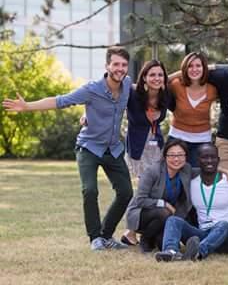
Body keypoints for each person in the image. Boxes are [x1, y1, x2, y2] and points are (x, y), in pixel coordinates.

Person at [2, 46, 133, 251]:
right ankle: (95, 238)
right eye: (116, 64)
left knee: (126, 193)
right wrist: (27, 106)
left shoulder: (127, 85)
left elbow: (152, 84)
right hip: (89, 148)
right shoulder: (92, 89)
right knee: (90, 190)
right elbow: (60, 101)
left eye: (124, 65)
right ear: (107, 66)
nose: (120, 68)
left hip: (113, 149)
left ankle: (106, 236)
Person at [155, 143, 228, 262]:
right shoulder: (192, 183)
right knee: (173, 220)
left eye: (213, 157)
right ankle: (170, 252)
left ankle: (198, 252)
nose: (209, 161)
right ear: (198, 160)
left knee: (223, 225)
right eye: (205, 157)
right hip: (204, 234)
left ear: (218, 160)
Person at [121, 59, 170, 246]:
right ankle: (130, 231)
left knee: (155, 190)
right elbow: (109, 97)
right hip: (138, 149)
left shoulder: (166, 96)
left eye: (160, 75)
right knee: (143, 190)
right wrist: (87, 115)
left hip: (157, 148)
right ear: (144, 78)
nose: (156, 78)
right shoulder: (133, 94)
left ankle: (143, 229)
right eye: (152, 75)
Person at [125, 139, 196, 253]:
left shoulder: (186, 169)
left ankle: (154, 238)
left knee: (164, 244)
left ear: (185, 156)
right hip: (142, 213)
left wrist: (227, 172)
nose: (176, 159)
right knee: (164, 212)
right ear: (165, 156)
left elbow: (205, 170)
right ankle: (145, 239)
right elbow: (140, 200)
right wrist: (164, 204)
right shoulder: (152, 171)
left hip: (165, 218)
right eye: (172, 155)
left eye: (180, 155)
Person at [167, 52, 217, 167]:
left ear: (204, 68)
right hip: (177, 138)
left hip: (202, 140)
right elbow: (162, 81)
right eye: (190, 66)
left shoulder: (212, 89)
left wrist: (209, 67)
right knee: (174, 176)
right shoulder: (176, 85)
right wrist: (182, 73)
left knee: (195, 177)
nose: (194, 69)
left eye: (198, 66)